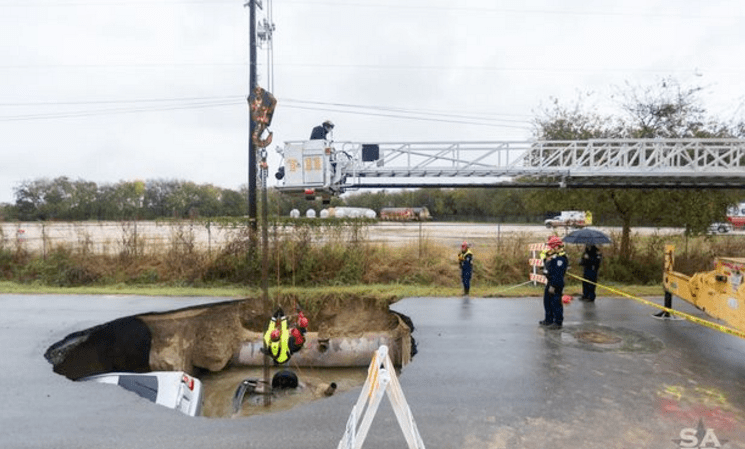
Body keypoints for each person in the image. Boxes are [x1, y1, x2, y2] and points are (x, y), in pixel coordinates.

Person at [540, 235, 568, 330]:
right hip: (550, 281)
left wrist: (553, 286)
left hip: (556, 283)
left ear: (556, 247)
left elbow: (558, 274)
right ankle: (549, 319)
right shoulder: (553, 257)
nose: (550, 249)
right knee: (547, 301)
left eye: (551, 247)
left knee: (556, 302)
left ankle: (558, 322)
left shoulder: (560, 259)